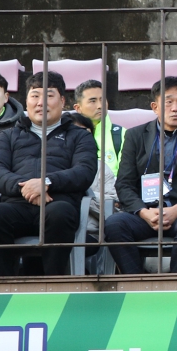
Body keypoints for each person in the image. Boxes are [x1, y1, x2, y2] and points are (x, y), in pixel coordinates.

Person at [0, 72, 96, 276]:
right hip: (16, 203)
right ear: (26, 101)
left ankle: (52, 283)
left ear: (62, 101)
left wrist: (47, 183)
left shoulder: (80, 136)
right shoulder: (8, 136)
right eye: (35, 96)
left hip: (58, 203)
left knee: (60, 213)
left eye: (49, 96)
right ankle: (4, 286)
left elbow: (84, 171)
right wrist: (25, 186)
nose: (40, 103)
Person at [105, 77, 177, 274]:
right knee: (114, 225)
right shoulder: (135, 136)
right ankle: (136, 284)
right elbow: (123, 183)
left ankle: (175, 284)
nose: (175, 108)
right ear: (155, 107)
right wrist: (142, 211)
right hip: (144, 213)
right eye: (168, 102)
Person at [66, 112, 119, 270]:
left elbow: (114, 206)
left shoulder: (101, 167)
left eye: (85, 133)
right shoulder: (48, 162)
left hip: (88, 232)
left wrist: (82, 195)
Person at [73, 79, 124, 176]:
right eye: (93, 101)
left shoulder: (121, 134)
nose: (100, 106)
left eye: (102, 99)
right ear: (78, 108)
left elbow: (126, 176)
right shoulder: (67, 135)